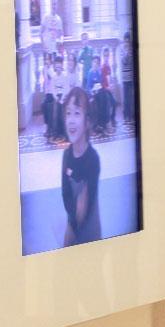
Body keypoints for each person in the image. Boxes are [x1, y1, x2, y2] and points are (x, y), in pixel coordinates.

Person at [60, 87, 101, 246]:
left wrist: (76, 227)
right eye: (68, 113)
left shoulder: (93, 159)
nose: (70, 119)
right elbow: (65, 193)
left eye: (77, 113)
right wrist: (72, 221)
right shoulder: (66, 155)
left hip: (90, 231)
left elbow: (87, 204)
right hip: (72, 224)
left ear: (87, 121)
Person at [119, 30, 136, 126]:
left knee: (131, 97)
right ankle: (126, 116)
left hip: (131, 76)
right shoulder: (122, 49)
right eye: (126, 41)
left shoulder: (131, 48)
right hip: (125, 77)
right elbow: (124, 61)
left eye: (128, 41)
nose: (127, 42)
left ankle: (131, 115)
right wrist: (126, 53)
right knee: (126, 98)